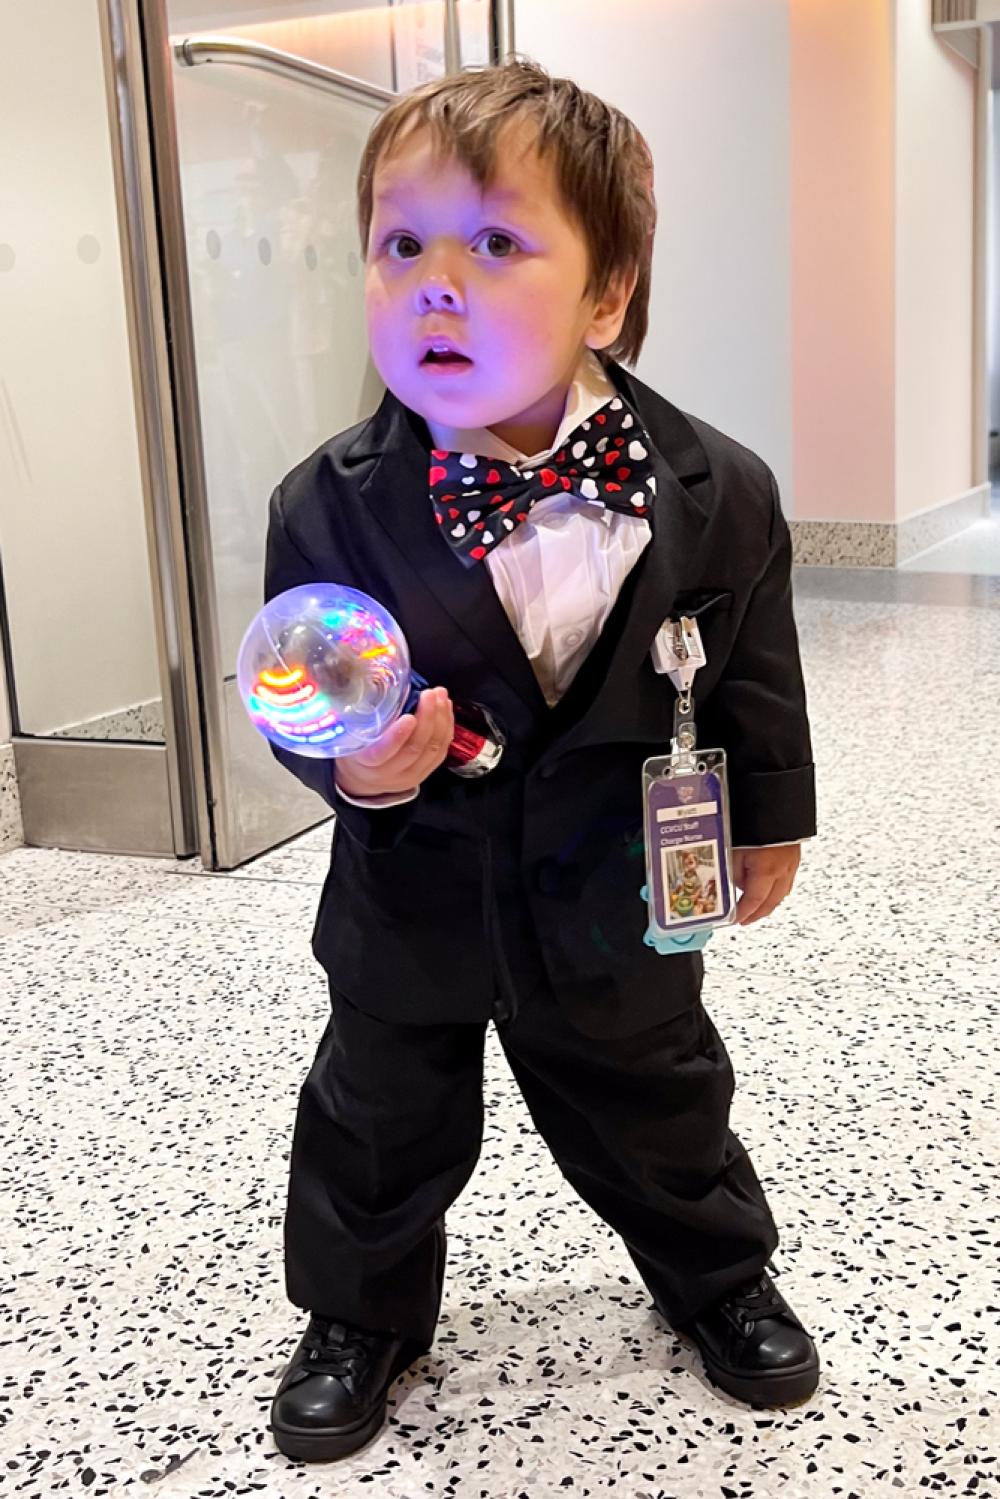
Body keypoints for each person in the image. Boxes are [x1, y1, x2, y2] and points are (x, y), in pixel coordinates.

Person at [264, 59, 818, 1464]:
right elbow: (301, 693)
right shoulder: (328, 504)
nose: (436, 283)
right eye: (402, 245)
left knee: (661, 1100)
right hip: (415, 886)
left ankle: (717, 1275)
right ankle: (359, 1314)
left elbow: (753, 676)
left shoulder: (718, 488)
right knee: (375, 1117)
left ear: (608, 293)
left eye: (497, 243)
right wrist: (358, 775)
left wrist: (771, 820)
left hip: (619, 882)